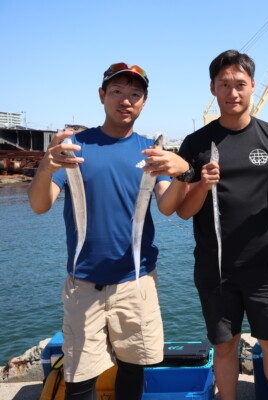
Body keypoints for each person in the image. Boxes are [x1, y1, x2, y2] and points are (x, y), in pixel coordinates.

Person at [28, 63, 190, 400]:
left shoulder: (150, 151)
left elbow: (167, 206)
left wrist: (182, 173)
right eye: (117, 91)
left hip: (137, 281)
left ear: (144, 102)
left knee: (134, 369)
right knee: (80, 378)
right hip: (84, 282)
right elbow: (40, 204)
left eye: (135, 94)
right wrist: (47, 165)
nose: (125, 100)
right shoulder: (75, 147)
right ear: (102, 96)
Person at [164, 50, 268, 400]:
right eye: (224, 84)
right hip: (215, 271)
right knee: (225, 349)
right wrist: (202, 185)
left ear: (253, 85)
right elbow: (183, 211)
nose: (232, 92)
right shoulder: (196, 144)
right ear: (213, 88)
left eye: (240, 84)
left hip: (266, 269)